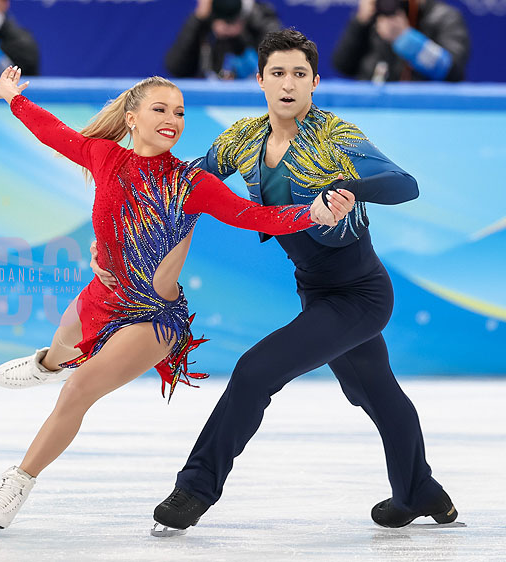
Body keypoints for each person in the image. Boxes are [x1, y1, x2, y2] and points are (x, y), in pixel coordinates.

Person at [0, 66, 354, 535]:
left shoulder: (192, 182)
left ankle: (19, 480)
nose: (172, 118)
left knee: (78, 390)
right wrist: (14, 97)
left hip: (154, 318)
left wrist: (312, 212)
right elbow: (53, 132)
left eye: (179, 112)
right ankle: (45, 364)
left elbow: (254, 215)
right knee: (62, 346)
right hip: (104, 294)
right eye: (160, 109)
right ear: (131, 118)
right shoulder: (104, 156)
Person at [142, 29, 458, 533]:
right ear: (261, 80)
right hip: (316, 292)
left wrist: (347, 185)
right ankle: (421, 491)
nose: (288, 84)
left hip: (360, 295)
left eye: (299, 74)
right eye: (277, 73)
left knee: (253, 371)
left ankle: (195, 488)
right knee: (373, 392)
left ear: (314, 82)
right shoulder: (244, 139)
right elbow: (189, 180)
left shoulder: (334, 136)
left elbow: (406, 185)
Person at [332, 0, 470, 82]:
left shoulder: (445, 17)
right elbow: (343, 65)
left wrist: (404, 38)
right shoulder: (376, 13)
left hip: (425, 109)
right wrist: (360, 22)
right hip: (374, 108)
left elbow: (452, 71)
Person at [165, 0, 280, 79]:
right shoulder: (204, 21)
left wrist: (239, 36)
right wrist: (197, 20)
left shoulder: (259, 18)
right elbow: (177, 69)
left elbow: (278, 65)